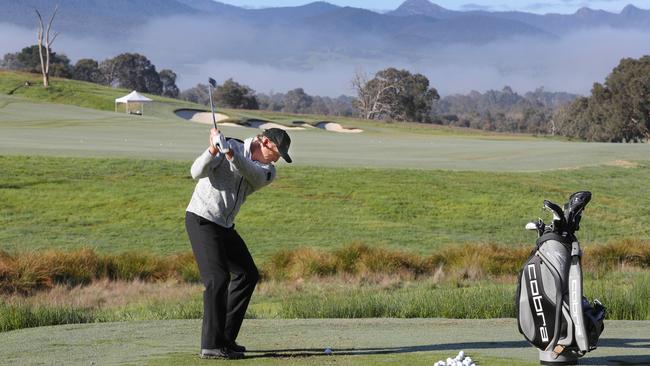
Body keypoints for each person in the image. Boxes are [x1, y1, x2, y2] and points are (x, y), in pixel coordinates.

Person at [185, 127, 292, 359]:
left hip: (224, 226)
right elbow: (196, 172)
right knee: (217, 278)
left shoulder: (267, 172)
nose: (277, 159)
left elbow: (249, 171)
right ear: (264, 142)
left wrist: (231, 154)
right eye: (276, 152)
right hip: (201, 219)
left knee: (247, 274)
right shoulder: (227, 146)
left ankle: (225, 338)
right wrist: (213, 149)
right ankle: (211, 345)